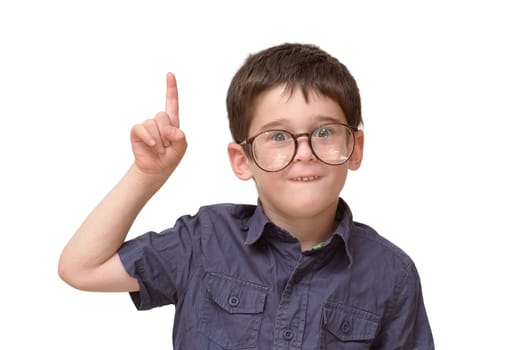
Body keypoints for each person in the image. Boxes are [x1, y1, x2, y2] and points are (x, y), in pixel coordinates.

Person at [58, 43, 434, 349]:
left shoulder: (392, 274)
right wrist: (146, 174)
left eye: (324, 132)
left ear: (355, 148)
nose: (303, 152)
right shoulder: (204, 241)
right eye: (277, 136)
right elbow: (81, 268)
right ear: (242, 160)